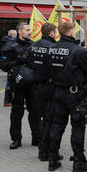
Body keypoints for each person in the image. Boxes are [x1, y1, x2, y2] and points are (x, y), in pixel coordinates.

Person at [47, 22, 87, 172]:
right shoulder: (78, 51)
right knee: (78, 127)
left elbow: (46, 70)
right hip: (74, 95)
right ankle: (79, 161)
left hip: (57, 93)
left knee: (57, 125)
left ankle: (53, 159)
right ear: (71, 33)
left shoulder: (51, 49)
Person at [0, 23, 41, 149]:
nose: (30, 32)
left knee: (35, 113)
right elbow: (2, 64)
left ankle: (37, 138)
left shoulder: (33, 45)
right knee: (16, 113)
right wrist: (18, 62)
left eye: (30, 30)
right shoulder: (10, 46)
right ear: (20, 32)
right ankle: (16, 139)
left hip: (31, 84)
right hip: (17, 84)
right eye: (27, 30)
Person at [25, 23, 59, 161]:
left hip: (36, 85)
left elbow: (27, 61)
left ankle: (42, 148)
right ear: (51, 33)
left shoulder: (33, 45)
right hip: (49, 86)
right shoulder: (53, 47)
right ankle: (46, 151)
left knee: (41, 117)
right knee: (49, 119)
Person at [2, 29, 17, 107]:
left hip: (10, 66)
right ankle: (7, 101)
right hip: (11, 66)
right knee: (10, 84)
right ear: (13, 36)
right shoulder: (9, 44)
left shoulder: (7, 42)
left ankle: (9, 100)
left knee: (11, 84)